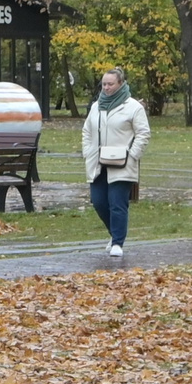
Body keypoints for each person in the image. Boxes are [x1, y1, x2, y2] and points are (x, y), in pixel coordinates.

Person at [81, 67, 149, 258]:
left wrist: (133, 155)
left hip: (122, 162)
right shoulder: (96, 106)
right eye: (104, 84)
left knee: (117, 203)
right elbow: (87, 131)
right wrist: (88, 152)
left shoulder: (133, 107)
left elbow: (143, 133)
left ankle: (118, 242)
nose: (107, 88)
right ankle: (114, 234)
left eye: (110, 84)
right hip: (98, 163)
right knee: (99, 201)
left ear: (120, 84)